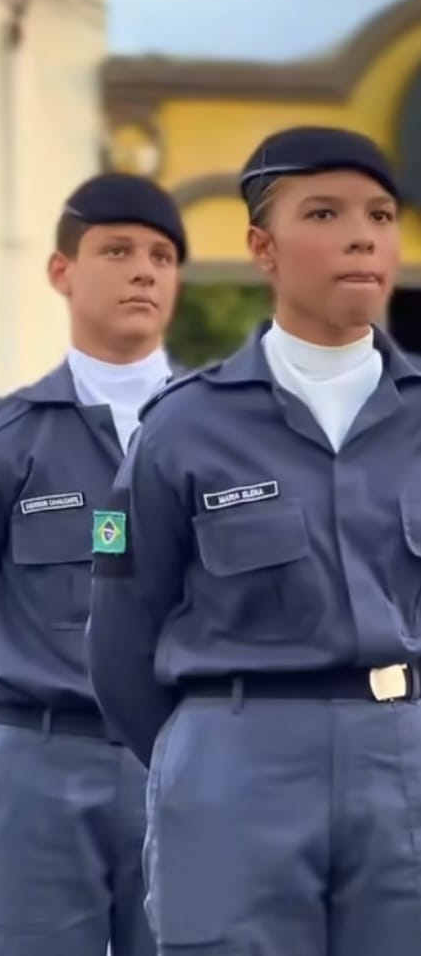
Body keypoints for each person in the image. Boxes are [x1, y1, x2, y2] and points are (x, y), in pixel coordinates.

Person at [87, 127, 421, 956]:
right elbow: (122, 636)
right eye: (323, 212)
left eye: (379, 214)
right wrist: (204, 757)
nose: (361, 235)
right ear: (260, 248)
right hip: (235, 760)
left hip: (404, 760)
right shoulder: (181, 429)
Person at [0, 173, 186, 956]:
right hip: (40, 764)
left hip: (187, 761)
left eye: (161, 256)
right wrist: (31, 714)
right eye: (116, 250)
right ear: (61, 272)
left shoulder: (223, 439)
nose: (142, 269)